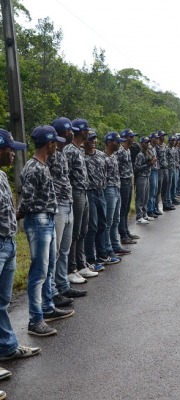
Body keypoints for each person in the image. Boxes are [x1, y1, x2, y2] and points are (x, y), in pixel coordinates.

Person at [17, 126, 75, 337]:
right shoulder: (33, 168)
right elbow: (27, 200)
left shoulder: (42, 165)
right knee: (38, 272)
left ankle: (48, 308)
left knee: (48, 267)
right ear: (49, 144)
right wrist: (19, 215)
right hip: (39, 220)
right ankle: (35, 319)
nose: (56, 146)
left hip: (47, 218)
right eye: (54, 143)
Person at [0, 128, 41, 361]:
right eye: (10, 149)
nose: (13, 154)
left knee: (3, 302)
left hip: (9, 243)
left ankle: (7, 347)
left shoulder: (2, 176)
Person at [47, 118, 86, 307]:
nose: (72, 134)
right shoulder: (51, 154)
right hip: (58, 206)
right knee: (55, 252)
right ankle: (53, 289)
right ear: (62, 133)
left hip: (68, 203)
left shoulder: (63, 153)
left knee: (64, 249)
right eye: (68, 131)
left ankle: (63, 285)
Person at [64, 119, 98, 283]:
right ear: (80, 131)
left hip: (84, 191)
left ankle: (81, 264)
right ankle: (71, 269)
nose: (88, 133)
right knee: (75, 232)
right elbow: (66, 174)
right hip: (75, 192)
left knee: (83, 230)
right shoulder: (70, 150)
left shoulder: (79, 150)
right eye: (86, 131)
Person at [83, 131, 117, 267]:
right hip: (89, 193)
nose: (93, 141)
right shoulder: (81, 155)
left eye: (95, 138)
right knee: (92, 226)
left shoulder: (101, 155)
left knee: (103, 224)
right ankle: (90, 258)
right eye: (90, 139)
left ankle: (102, 254)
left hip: (101, 192)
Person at [103, 132, 131, 257]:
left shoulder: (114, 156)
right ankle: (107, 248)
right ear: (109, 142)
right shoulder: (102, 157)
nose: (119, 144)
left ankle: (115, 246)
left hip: (117, 188)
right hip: (108, 190)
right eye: (117, 141)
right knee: (108, 221)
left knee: (116, 220)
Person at [116, 129, 140, 243]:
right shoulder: (119, 151)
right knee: (123, 208)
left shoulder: (127, 150)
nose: (133, 139)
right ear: (126, 138)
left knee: (126, 209)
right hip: (122, 181)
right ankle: (123, 234)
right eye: (131, 137)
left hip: (129, 180)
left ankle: (126, 231)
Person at [135, 137, 155, 223]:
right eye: (146, 142)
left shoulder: (147, 153)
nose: (147, 144)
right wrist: (149, 163)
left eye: (148, 143)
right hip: (141, 177)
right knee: (140, 197)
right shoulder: (140, 155)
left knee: (146, 197)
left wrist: (151, 161)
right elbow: (137, 167)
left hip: (147, 176)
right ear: (142, 143)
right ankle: (139, 217)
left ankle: (144, 214)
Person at [146, 132, 160, 218]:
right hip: (151, 171)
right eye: (156, 138)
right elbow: (150, 160)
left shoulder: (154, 148)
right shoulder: (149, 148)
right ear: (152, 139)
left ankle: (154, 208)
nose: (158, 139)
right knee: (151, 192)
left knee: (155, 191)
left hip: (156, 169)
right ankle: (150, 210)